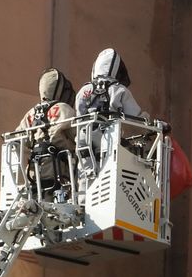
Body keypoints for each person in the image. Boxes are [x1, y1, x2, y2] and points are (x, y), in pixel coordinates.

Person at [16, 68, 76, 199]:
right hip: (56, 172)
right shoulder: (64, 108)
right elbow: (77, 136)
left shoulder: (31, 113)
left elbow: (18, 138)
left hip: (33, 172)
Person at [75, 48, 143, 119]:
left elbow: (79, 116)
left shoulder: (84, 89)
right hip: (113, 129)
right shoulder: (119, 90)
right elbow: (135, 117)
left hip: (85, 129)